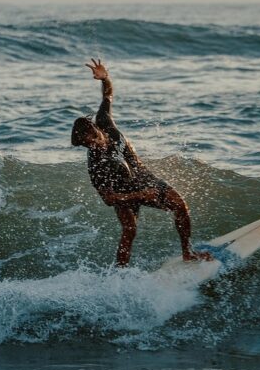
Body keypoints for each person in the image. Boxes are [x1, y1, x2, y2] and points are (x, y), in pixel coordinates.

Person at [71, 58, 213, 267]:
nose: (93, 146)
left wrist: (105, 78)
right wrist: (138, 196)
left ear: (96, 129)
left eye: (94, 140)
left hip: (142, 177)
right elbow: (108, 199)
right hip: (122, 192)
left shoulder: (104, 121)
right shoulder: (96, 165)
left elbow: (107, 95)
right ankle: (120, 273)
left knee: (180, 206)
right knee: (129, 231)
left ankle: (188, 253)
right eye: (87, 145)